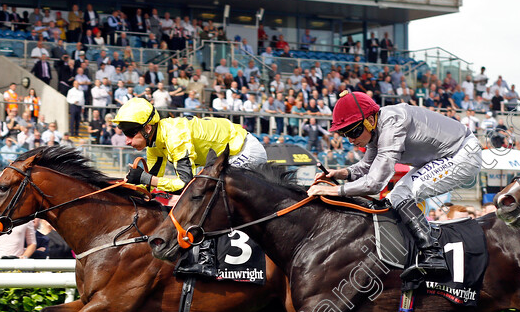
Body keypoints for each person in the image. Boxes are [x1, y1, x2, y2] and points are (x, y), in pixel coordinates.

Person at [308, 91, 482, 267]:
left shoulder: (392, 124)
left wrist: (331, 190)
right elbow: (366, 166)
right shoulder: (376, 130)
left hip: (462, 153)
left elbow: (374, 184)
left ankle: (433, 254)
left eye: (354, 131)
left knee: (400, 195)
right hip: (442, 156)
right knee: (392, 198)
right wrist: (339, 173)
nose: (351, 139)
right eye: (345, 133)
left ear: (370, 120)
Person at [112, 97, 268, 193]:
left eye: (131, 133)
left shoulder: (175, 136)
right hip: (226, 157)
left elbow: (186, 185)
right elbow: (149, 185)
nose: (127, 141)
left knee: (211, 194)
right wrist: (127, 186)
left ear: (147, 128)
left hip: (244, 150)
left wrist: (145, 178)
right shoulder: (154, 144)